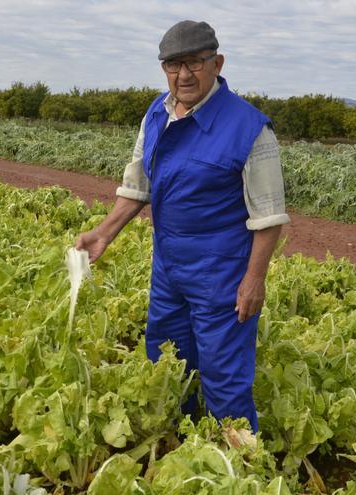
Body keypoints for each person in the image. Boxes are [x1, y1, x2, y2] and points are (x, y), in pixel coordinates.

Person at [75, 20, 289, 431]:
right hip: (169, 264)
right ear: (163, 69)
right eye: (174, 65)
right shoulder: (157, 113)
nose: (184, 75)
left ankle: (239, 465)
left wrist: (254, 279)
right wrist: (103, 233)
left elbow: (269, 217)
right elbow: (138, 184)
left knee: (223, 374)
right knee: (167, 358)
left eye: (194, 63)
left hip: (222, 270)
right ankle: (184, 444)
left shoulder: (250, 128)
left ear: (217, 63)